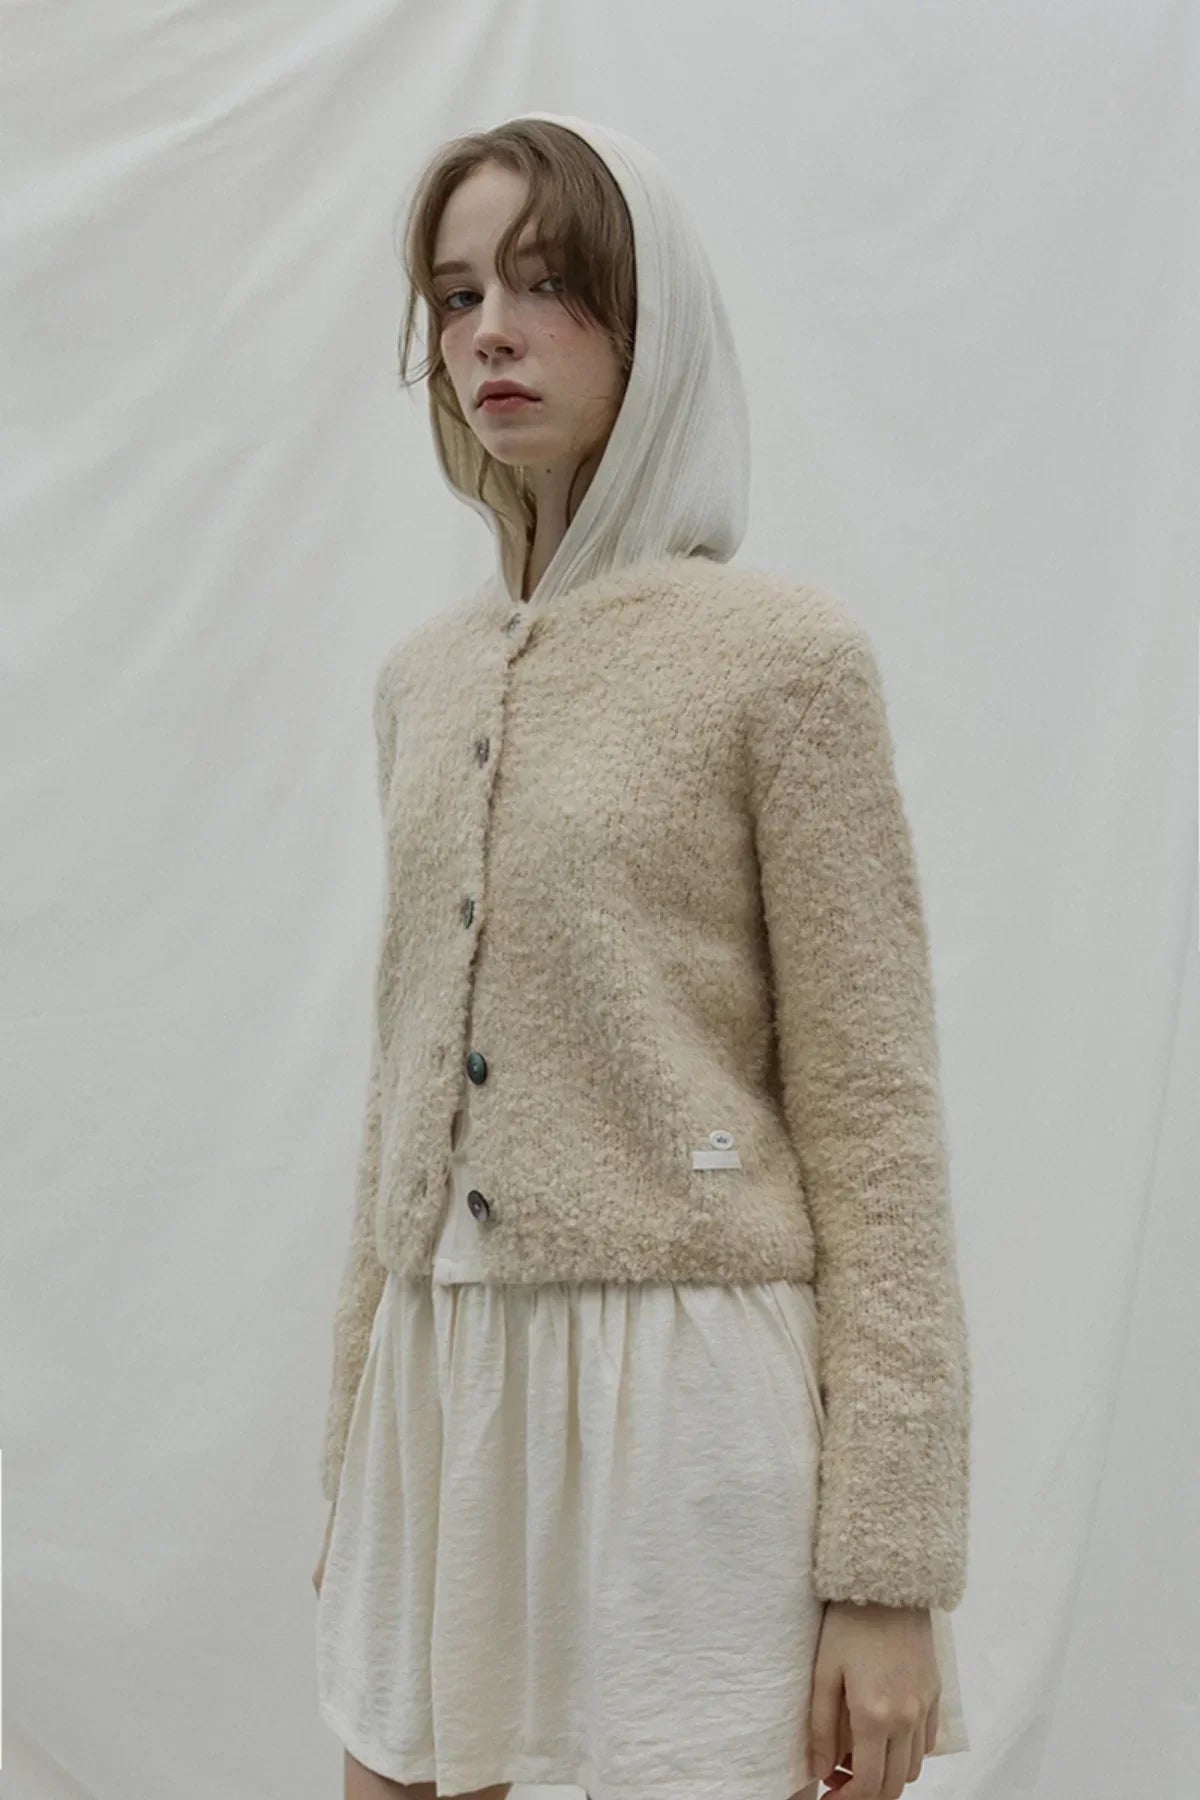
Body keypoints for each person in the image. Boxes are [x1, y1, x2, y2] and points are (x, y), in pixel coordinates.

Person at [312, 112, 972, 1800]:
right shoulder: (420, 681)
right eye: (457, 295)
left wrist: (889, 1570)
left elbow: (877, 1127)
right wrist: (355, 1450)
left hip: (681, 1410)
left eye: (548, 284)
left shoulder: (782, 661)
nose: (491, 333)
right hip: (443, 1392)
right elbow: (399, 1094)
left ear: (651, 312)